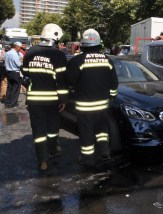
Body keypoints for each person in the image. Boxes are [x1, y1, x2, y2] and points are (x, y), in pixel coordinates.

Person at [67, 29, 118, 168]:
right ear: (98, 43)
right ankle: (105, 153)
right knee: (102, 131)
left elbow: (70, 81)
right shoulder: (107, 60)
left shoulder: (77, 60)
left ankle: (88, 160)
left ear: (83, 44)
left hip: (85, 107)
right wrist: (112, 96)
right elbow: (114, 83)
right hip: (103, 105)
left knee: (86, 132)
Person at [22, 23, 69, 171]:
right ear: (55, 37)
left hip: (34, 100)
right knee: (53, 128)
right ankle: (53, 149)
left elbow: (25, 73)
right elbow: (62, 80)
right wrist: (63, 100)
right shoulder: (58, 55)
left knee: (38, 130)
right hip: (52, 100)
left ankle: (42, 160)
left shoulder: (30, 52)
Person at [4, 42, 23, 108]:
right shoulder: (14, 54)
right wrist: (22, 62)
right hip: (15, 73)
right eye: (20, 48)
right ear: (16, 47)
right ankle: (12, 104)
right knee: (16, 89)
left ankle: (7, 102)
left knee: (9, 88)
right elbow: (18, 64)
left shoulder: (7, 53)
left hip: (9, 72)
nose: (20, 49)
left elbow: (5, 61)